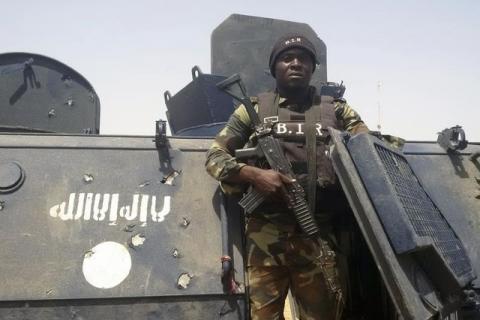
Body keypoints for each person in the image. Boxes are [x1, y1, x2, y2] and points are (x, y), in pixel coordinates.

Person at [205, 34, 369, 320]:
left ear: (312, 67)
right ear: (274, 68)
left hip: (317, 234)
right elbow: (214, 157)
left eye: (303, 59)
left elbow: (368, 152)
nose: (296, 64)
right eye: (287, 58)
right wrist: (255, 175)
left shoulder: (337, 110)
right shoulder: (252, 109)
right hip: (266, 237)